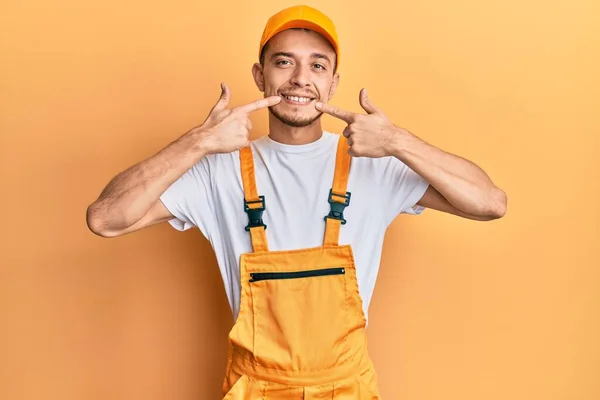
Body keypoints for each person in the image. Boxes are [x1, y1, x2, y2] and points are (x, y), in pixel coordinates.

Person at [86, 4, 507, 399]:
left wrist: (397, 141)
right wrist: (199, 142)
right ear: (260, 74)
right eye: (284, 61)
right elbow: (106, 218)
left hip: (348, 388)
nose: (300, 78)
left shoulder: (374, 164)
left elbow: (489, 202)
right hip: (255, 390)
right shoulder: (218, 170)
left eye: (317, 65)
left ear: (333, 83)